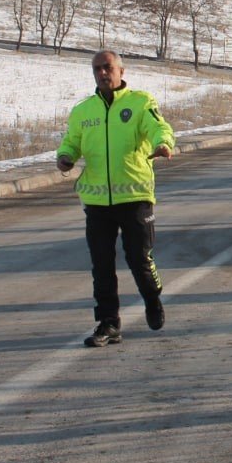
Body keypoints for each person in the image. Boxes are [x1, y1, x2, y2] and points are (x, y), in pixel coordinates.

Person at [57, 50, 176, 347]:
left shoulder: (140, 102)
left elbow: (159, 127)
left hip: (135, 196)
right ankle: (108, 323)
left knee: (139, 258)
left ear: (121, 71)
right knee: (101, 265)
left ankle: (152, 299)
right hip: (97, 202)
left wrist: (163, 143)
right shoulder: (83, 110)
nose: (102, 73)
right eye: (97, 69)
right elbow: (72, 141)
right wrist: (66, 156)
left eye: (107, 67)